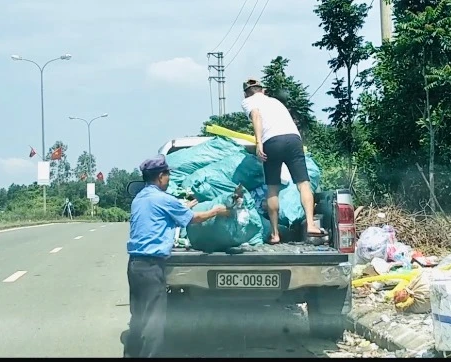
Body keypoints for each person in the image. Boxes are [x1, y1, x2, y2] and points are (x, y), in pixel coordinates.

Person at [122, 154, 230, 358]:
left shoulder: (141, 198)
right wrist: (216, 211)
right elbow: (194, 219)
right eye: (168, 175)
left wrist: (184, 207)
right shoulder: (163, 199)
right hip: (152, 267)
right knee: (155, 322)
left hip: (135, 265)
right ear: (160, 176)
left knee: (138, 318)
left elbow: (166, 214)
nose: (169, 179)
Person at [241, 77, 326, 244]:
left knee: (272, 188)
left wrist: (259, 143)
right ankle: (310, 225)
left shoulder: (248, 101)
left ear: (246, 93)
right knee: (304, 184)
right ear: (263, 90)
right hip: (294, 140)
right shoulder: (275, 102)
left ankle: (275, 234)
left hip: (273, 141)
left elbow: (256, 116)